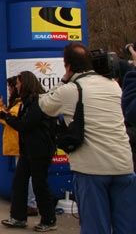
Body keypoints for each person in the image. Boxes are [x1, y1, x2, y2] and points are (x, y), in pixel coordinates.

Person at [39, 43, 135, 233]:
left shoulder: (71, 89)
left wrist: (64, 80)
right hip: (123, 165)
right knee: (127, 226)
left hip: (92, 169)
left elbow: (44, 104)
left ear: (67, 66)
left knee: (95, 226)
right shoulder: (113, 85)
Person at [0, 71, 57, 232]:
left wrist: (4, 116)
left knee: (39, 184)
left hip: (39, 149)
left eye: (19, 83)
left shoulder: (37, 102)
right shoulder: (26, 102)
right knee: (19, 182)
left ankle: (49, 219)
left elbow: (25, 124)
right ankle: (18, 216)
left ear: (26, 83)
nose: (17, 86)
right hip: (28, 149)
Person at [0, 75, 38, 217]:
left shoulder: (20, 104)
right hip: (18, 142)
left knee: (25, 176)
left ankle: (30, 203)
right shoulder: (18, 103)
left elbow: (10, 119)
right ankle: (28, 202)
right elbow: (8, 116)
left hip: (19, 142)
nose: (11, 90)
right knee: (24, 175)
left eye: (12, 87)